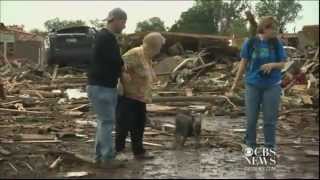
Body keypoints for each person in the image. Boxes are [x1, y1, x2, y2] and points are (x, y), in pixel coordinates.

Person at [228, 16, 287, 152]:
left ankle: (269, 147)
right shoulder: (251, 42)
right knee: (251, 118)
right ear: (265, 28)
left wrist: (272, 65)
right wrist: (235, 83)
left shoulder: (276, 43)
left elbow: (283, 64)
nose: (276, 31)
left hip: (272, 84)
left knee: (269, 119)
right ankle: (250, 145)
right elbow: (243, 63)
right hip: (253, 84)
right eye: (274, 28)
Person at [87, 8, 127, 168]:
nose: (124, 26)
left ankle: (100, 156)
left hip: (101, 85)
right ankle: (107, 158)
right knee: (108, 122)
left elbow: (111, 60)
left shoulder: (102, 37)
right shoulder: (106, 38)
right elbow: (115, 60)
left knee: (104, 122)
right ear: (116, 20)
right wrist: (123, 67)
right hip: (102, 86)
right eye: (123, 22)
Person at [115, 32, 165, 160]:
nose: (159, 51)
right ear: (154, 46)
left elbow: (146, 72)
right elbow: (119, 67)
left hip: (140, 97)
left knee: (139, 125)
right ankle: (118, 151)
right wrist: (125, 79)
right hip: (128, 97)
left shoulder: (147, 56)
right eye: (159, 48)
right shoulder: (134, 54)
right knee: (124, 126)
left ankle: (139, 152)